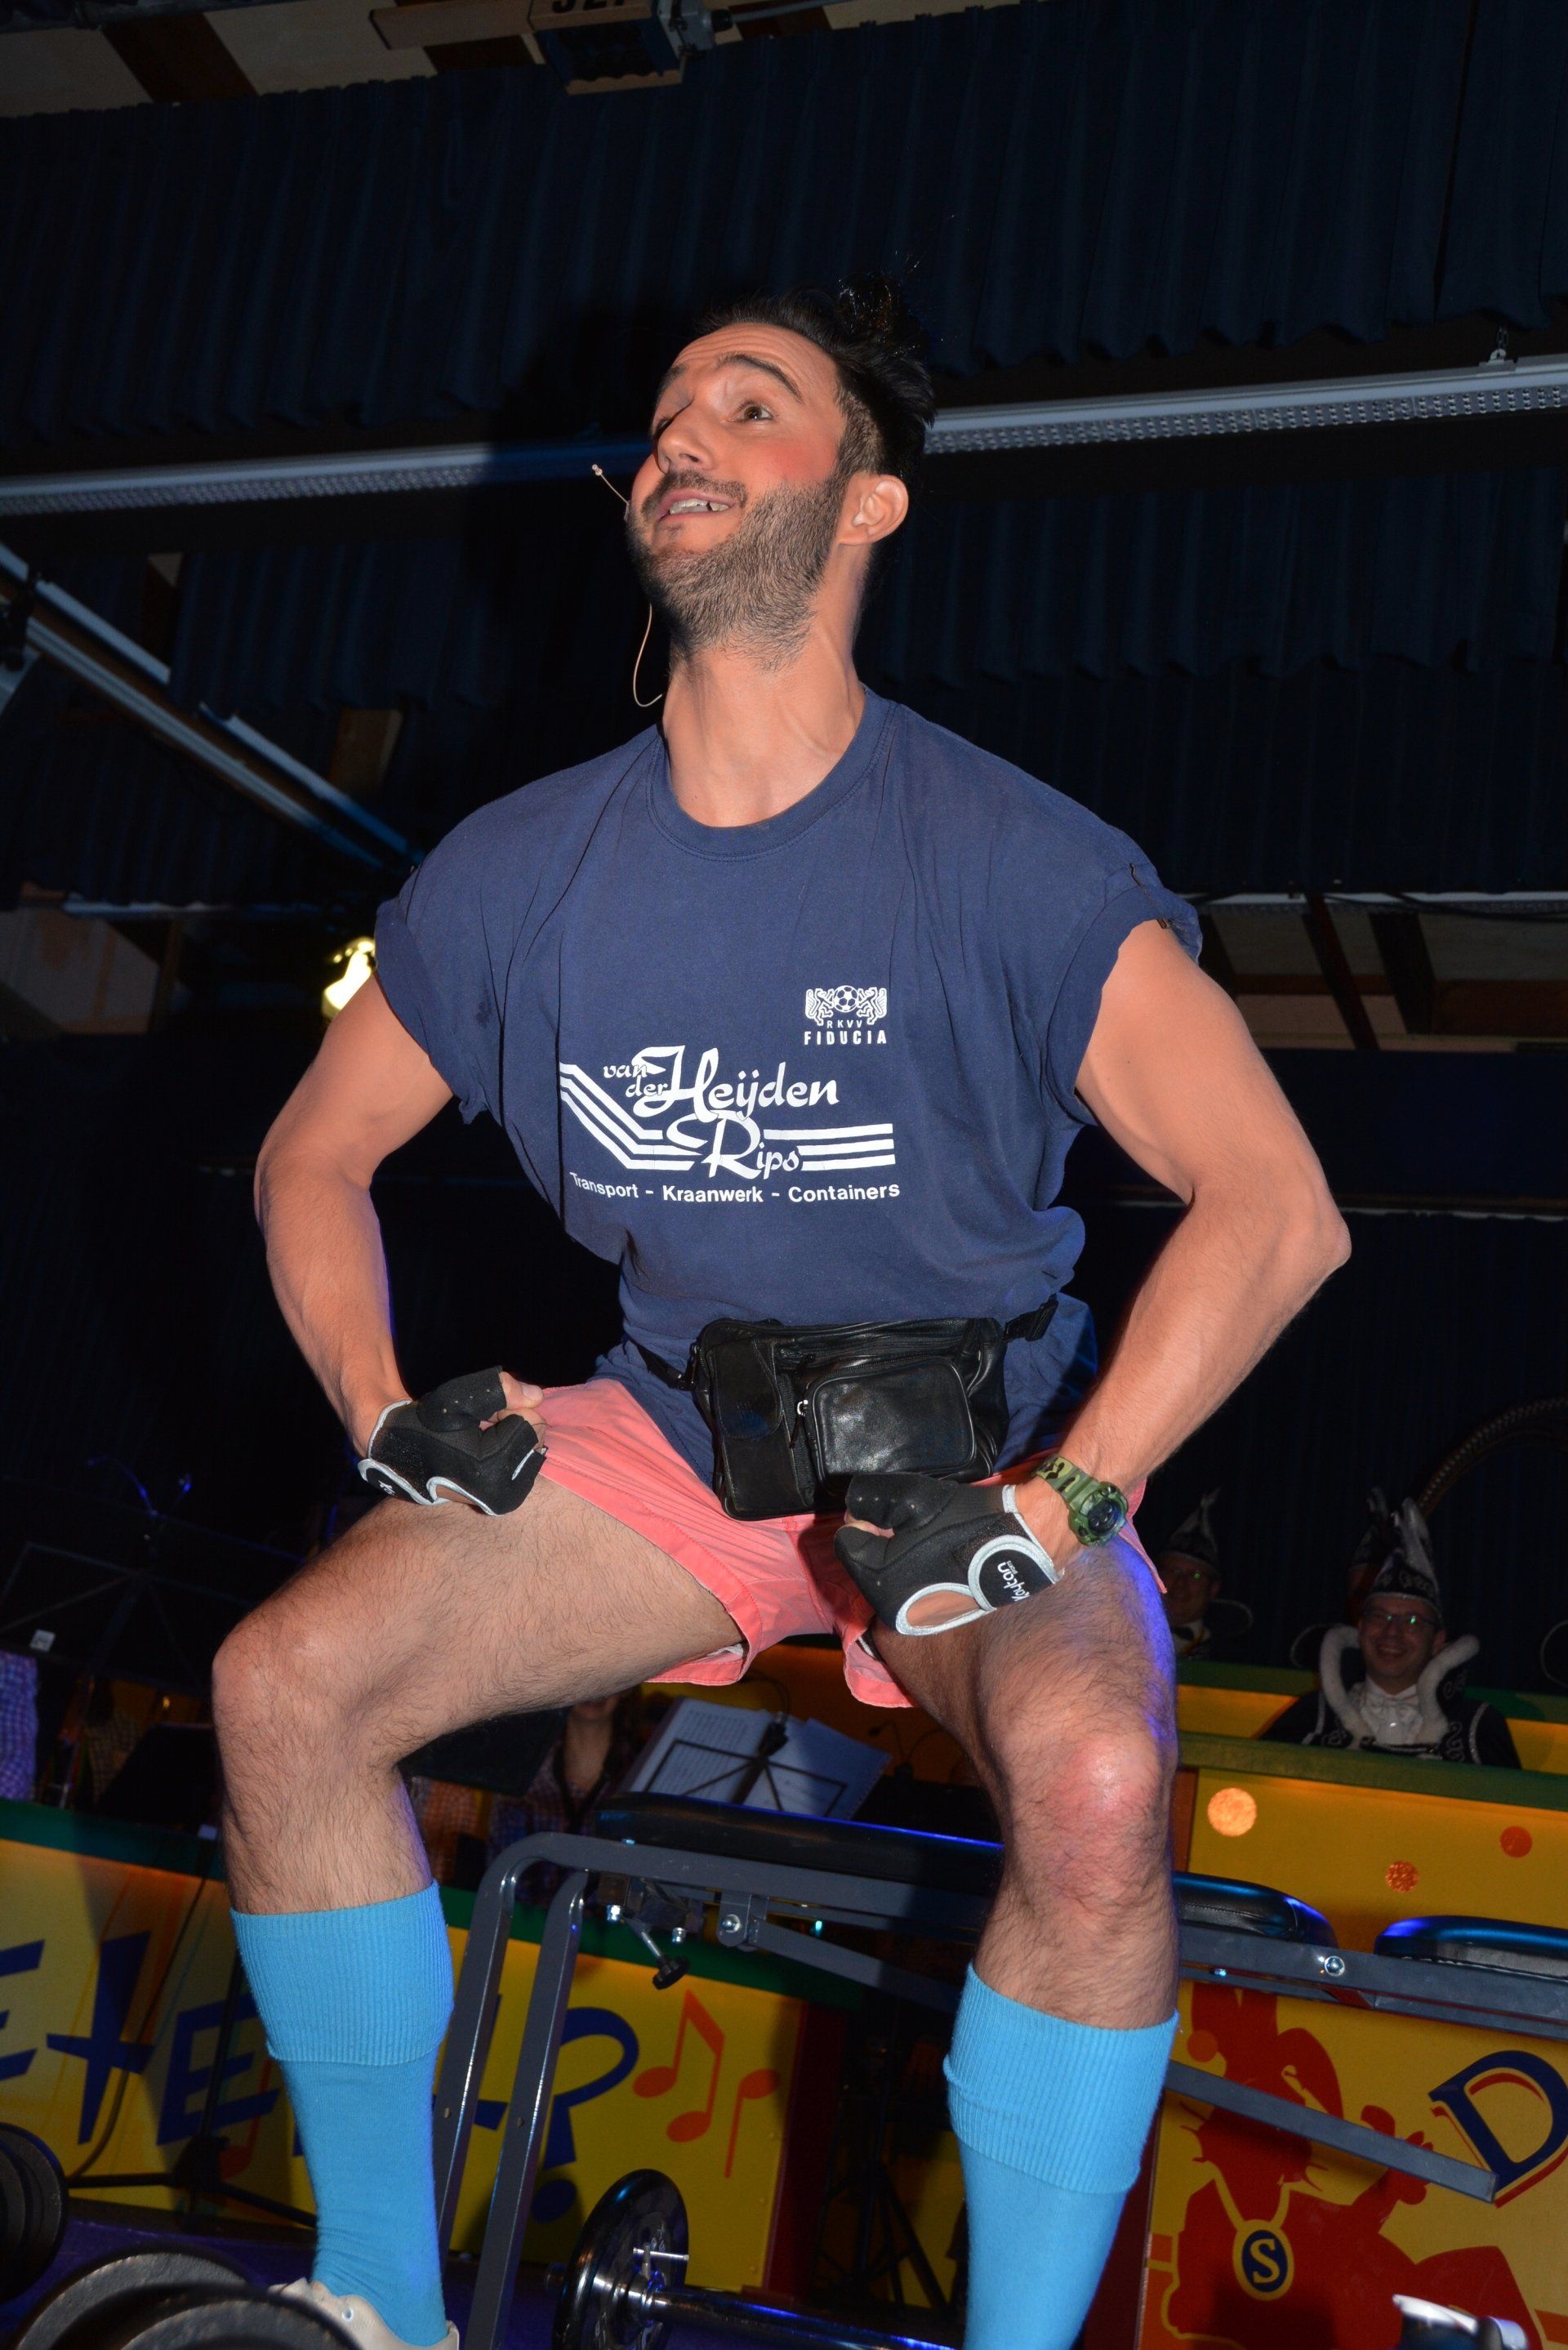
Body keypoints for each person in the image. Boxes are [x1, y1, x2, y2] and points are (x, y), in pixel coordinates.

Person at [214, 279, 1349, 2350]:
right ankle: (374, 2301)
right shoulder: (515, 876)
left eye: (752, 403)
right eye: (667, 410)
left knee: (1099, 1788)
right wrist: (377, 1404)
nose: (685, 433)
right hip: (681, 1441)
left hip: (983, 1462)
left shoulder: (1009, 858)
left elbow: (1276, 1210)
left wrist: (1072, 1497)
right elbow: (310, 1156)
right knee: (283, 1684)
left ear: (867, 498)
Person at [1263, 1501, 1519, 1766]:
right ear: (1360, 1629)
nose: (1392, 1632)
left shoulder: (1477, 1730)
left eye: (1412, 1621)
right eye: (1379, 1616)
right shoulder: (1311, 1718)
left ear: (1437, 1642)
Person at [1156, 1491, 1223, 1662]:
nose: (1181, 1584)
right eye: (1173, 1571)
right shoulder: (1118, 1640)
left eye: (1195, 1575)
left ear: (1213, 1589)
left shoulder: (1231, 1659)